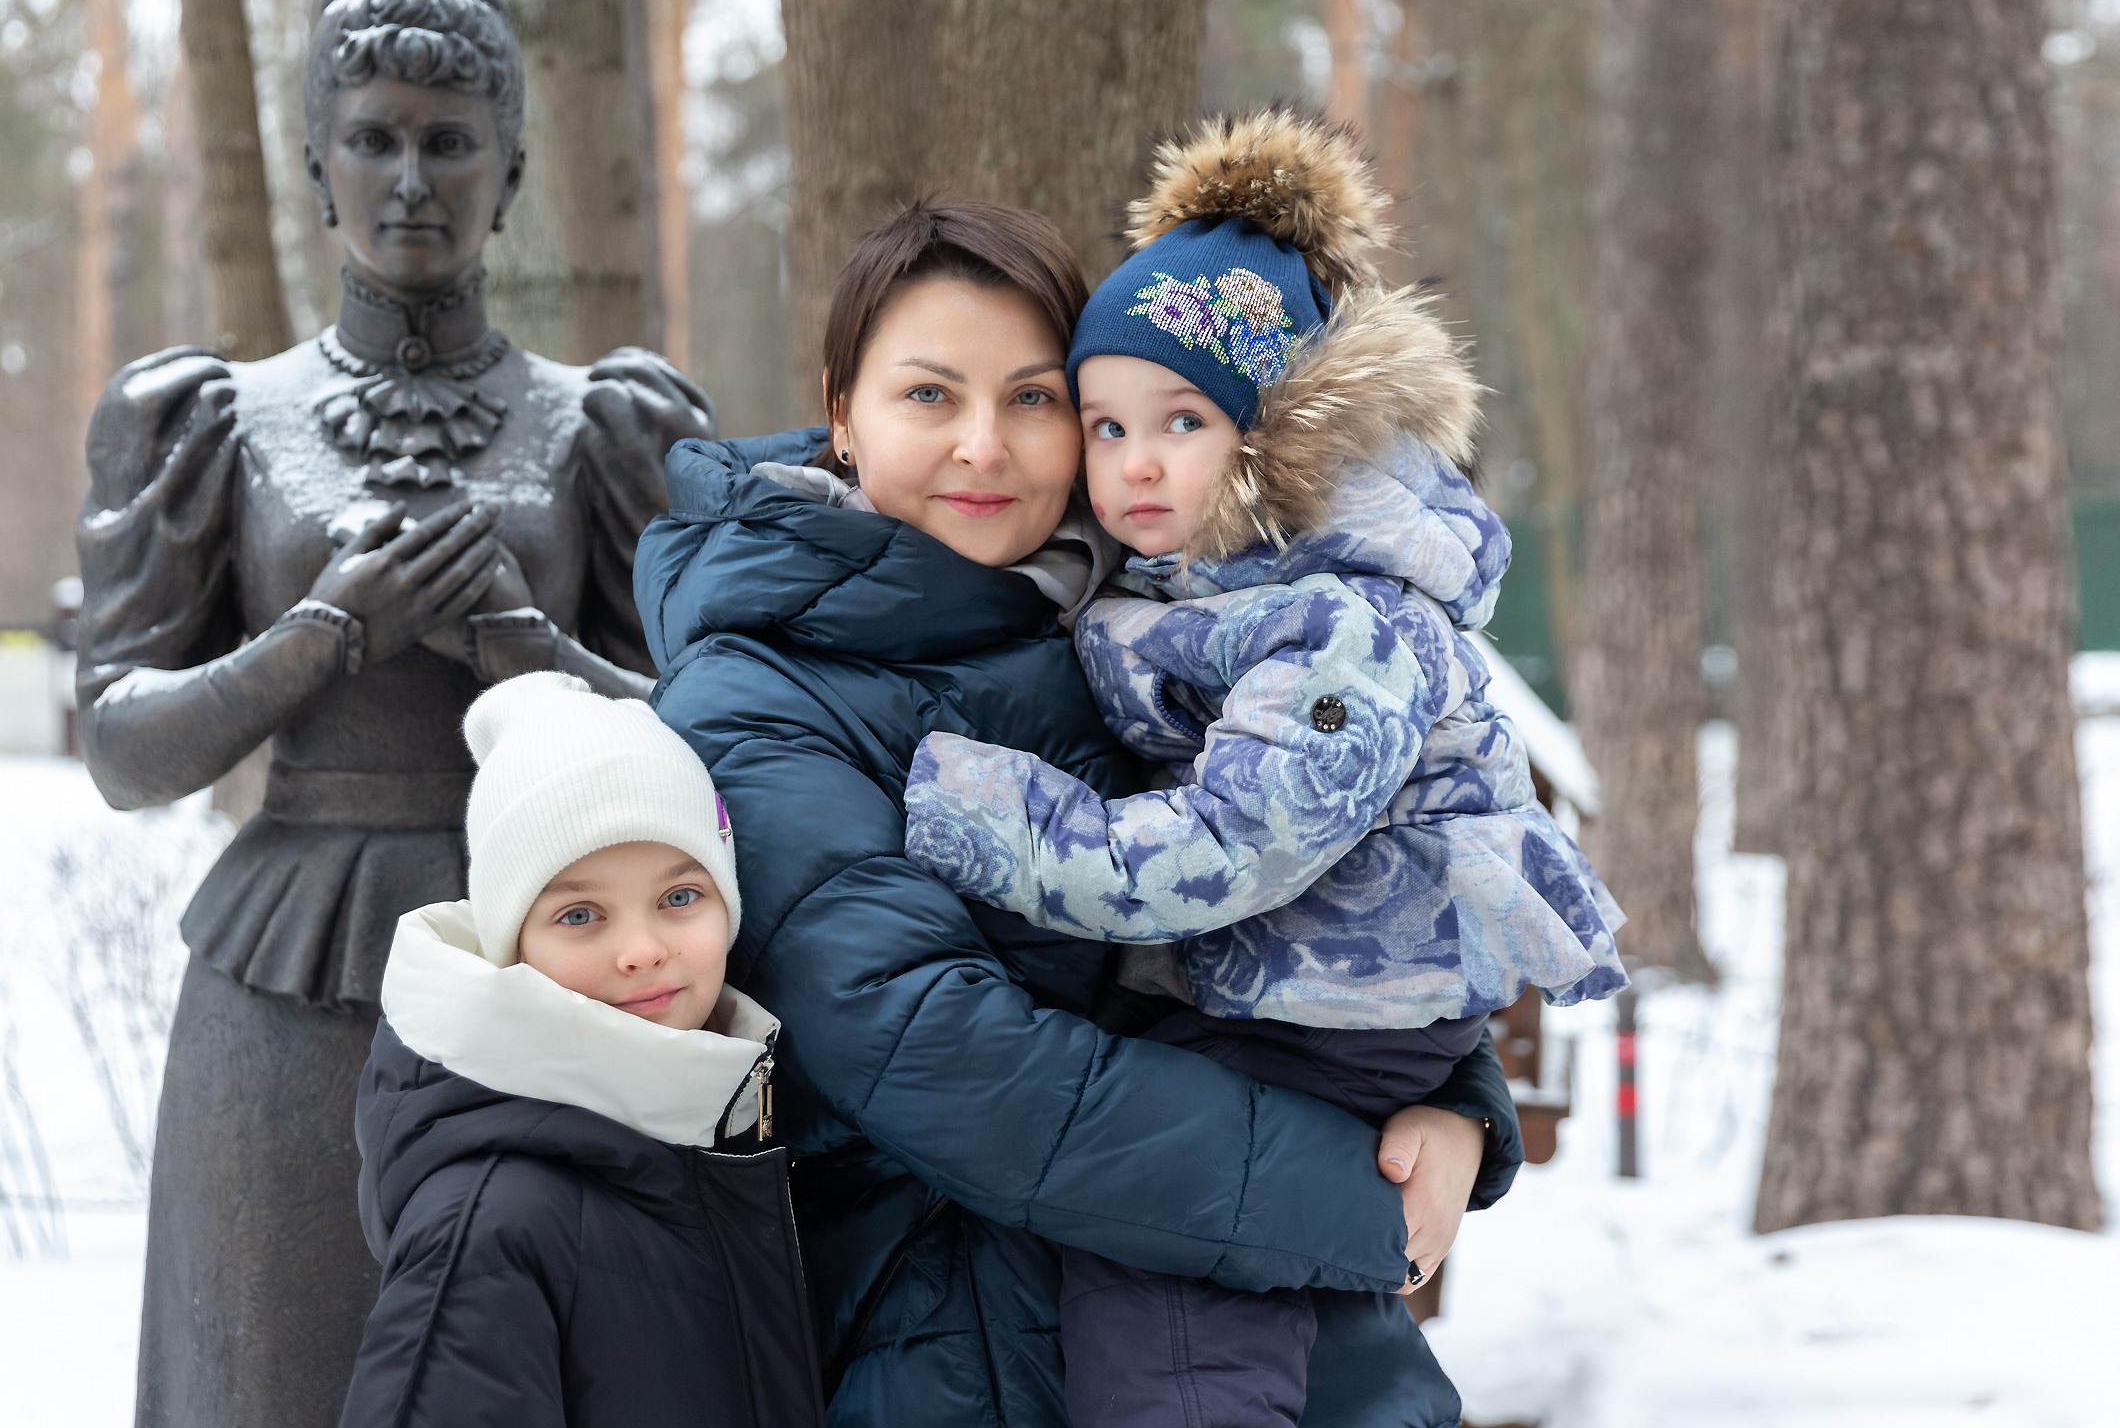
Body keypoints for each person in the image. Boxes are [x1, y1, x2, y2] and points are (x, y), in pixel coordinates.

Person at [633, 197, 1523, 1428]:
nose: (985, 447)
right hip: (961, 1335)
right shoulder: (757, 693)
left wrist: (1455, 1100)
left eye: (1035, 398)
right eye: (930, 395)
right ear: (843, 414)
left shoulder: (1143, 619)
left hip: (1268, 1320)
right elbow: (934, 1048)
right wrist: (1351, 1194)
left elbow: (1328, 870)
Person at [899, 110, 1629, 1427]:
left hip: (1315, 1027)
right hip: (1275, 1015)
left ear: (1277, 431)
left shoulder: (1343, 624)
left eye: (1179, 420)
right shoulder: (1226, 584)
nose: (1131, 466)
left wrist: (983, 808)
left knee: (1169, 1329)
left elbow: (1231, 849)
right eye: (1105, 426)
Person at [75, 0, 711, 1428]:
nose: (409, 177)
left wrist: (521, 651)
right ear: (316, 160)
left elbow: (709, 728)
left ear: (513, 169)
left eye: (447, 140)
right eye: (372, 137)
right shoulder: (211, 423)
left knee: (542, 1371)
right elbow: (119, 745)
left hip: (552, 962)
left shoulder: (605, 424)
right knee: (272, 1366)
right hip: (284, 979)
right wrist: (315, 638)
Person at [338, 671, 824, 1428]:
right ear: (511, 943)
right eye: (581, 914)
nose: (640, 950)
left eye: (678, 897)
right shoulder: (492, 1228)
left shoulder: (728, 1134)